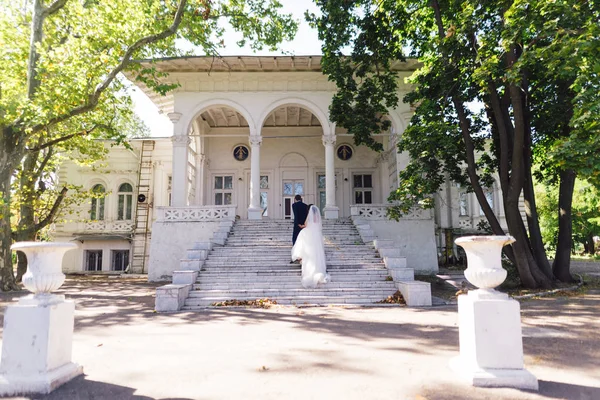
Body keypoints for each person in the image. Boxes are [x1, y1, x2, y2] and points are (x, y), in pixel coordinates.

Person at [291, 205, 330, 288]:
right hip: (316, 236)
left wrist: (301, 226)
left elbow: (306, 225)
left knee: (302, 236)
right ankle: (319, 270)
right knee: (316, 253)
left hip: (309, 234)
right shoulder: (318, 219)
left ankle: (300, 257)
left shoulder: (309, 217)